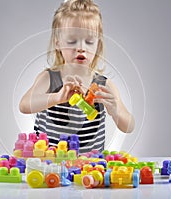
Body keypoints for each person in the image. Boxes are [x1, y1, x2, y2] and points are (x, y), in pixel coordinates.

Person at [19, 0, 135, 153]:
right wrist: (57, 97)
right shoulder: (49, 78)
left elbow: (129, 126)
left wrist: (115, 111)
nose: (81, 48)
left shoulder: (104, 85)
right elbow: (25, 105)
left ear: (97, 45)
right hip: (50, 167)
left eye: (89, 41)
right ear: (58, 44)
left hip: (89, 170)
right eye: (72, 41)